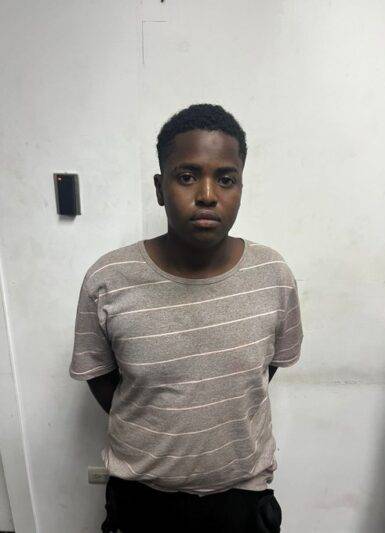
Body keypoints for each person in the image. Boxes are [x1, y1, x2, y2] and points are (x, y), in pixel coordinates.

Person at [69, 103, 303, 532]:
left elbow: (261, 371)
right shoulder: (109, 279)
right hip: (141, 498)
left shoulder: (273, 275)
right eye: (187, 176)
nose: (208, 194)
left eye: (226, 179)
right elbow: (100, 378)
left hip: (241, 496)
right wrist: (157, 423)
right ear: (160, 188)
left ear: (240, 186)